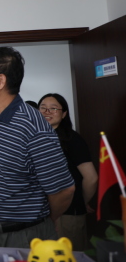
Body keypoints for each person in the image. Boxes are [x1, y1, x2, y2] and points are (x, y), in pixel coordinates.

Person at [0, 47, 75, 248]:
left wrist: (42, 223)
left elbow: (64, 190)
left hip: (22, 237)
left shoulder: (32, 125)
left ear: (0, 81)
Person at [38, 93, 98, 251]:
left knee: (67, 256)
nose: (47, 112)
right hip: (41, 214)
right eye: (43, 108)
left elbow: (91, 178)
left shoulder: (72, 139)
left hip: (67, 213)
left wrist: (82, 201)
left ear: (64, 114)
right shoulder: (36, 138)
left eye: (53, 108)